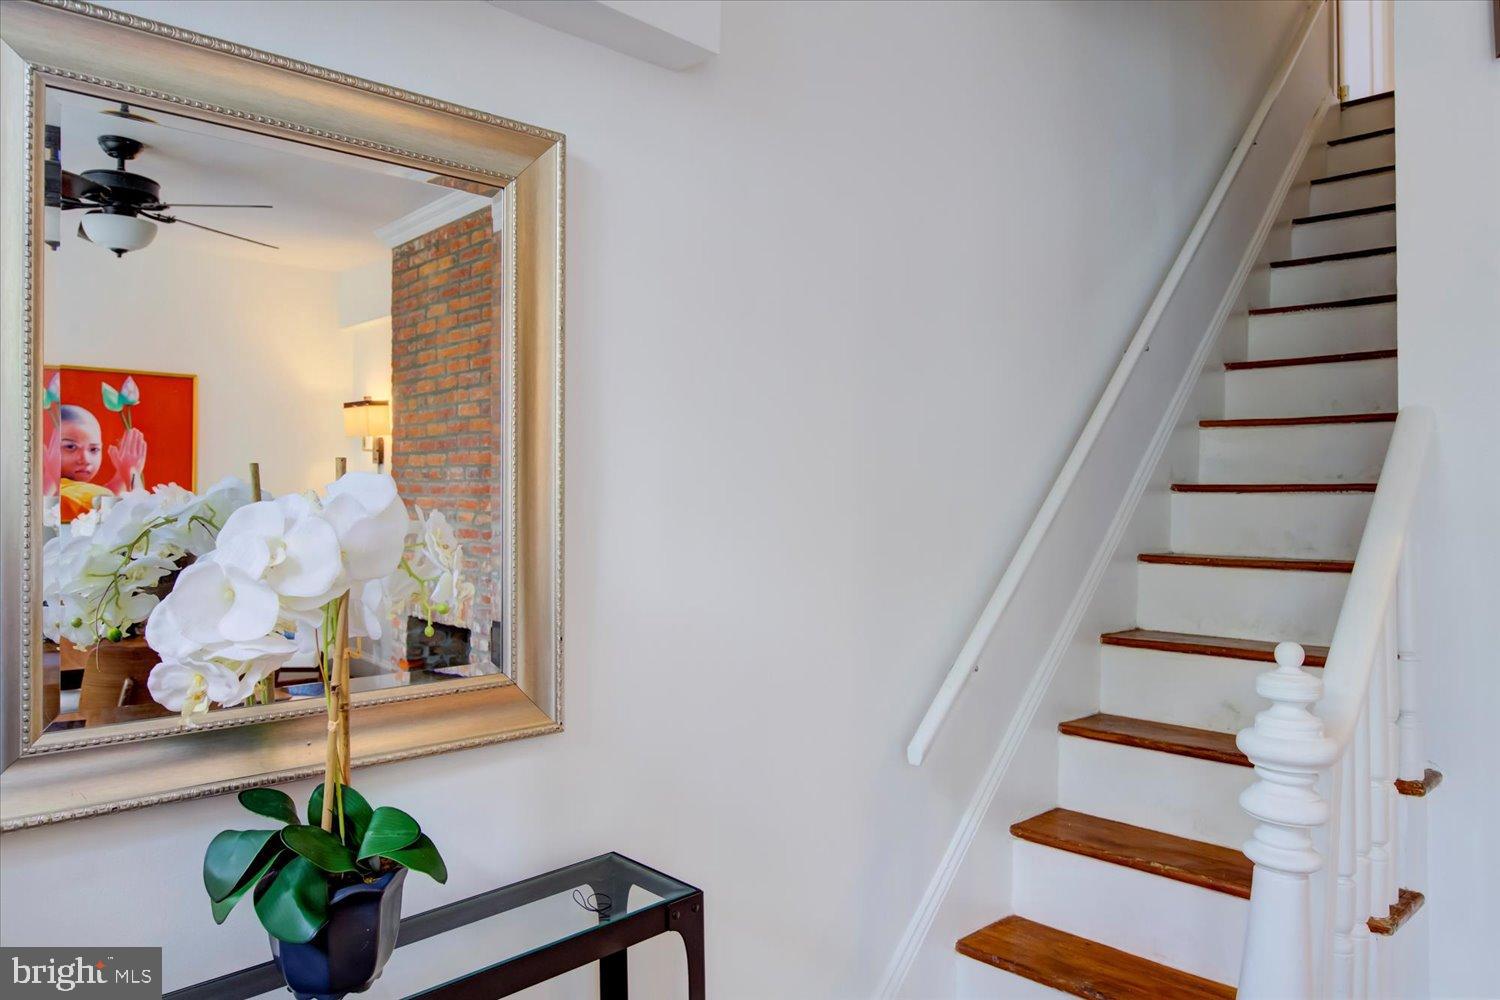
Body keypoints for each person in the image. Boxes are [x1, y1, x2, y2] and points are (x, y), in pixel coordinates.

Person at [43, 404, 147, 522]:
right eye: (70, 447)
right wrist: (132, 475)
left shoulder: (77, 490)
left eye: (94, 449)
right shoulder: (64, 494)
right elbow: (140, 516)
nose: (85, 459)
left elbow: (104, 499)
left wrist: (122, 476)